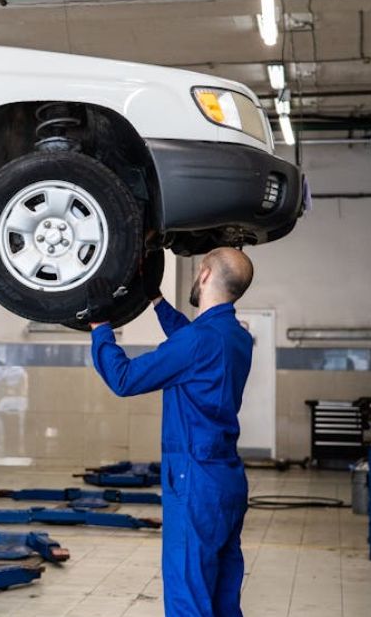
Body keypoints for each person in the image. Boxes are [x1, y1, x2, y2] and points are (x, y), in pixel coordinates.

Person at [85, 247, 255, 617]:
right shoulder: (237, 337)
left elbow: (124, 379)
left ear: (206, 274)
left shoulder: (196, 342)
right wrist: (155, 299)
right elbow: (192, 340)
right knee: (224, 596)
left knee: (188, 595)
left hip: (194, 479)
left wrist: (100, 330)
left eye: (198, 271)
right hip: (227, 479)